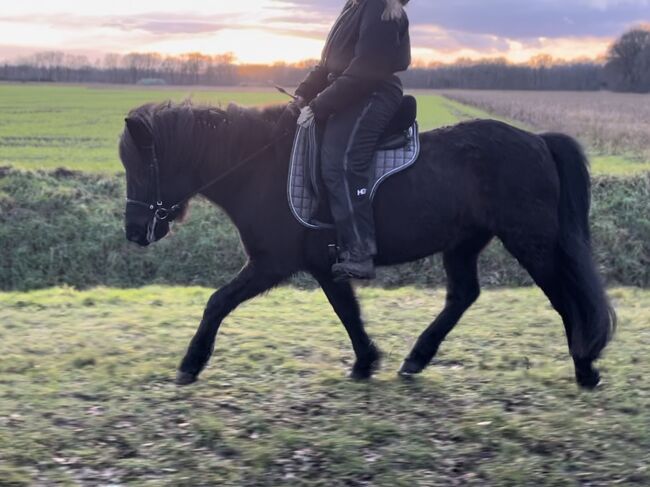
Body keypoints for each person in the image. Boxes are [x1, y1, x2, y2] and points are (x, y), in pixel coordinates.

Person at [289, 0, 411, 281]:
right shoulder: (354, 5)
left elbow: (367, 69)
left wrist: (319, 106)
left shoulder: (380, 8)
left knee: (341, 160)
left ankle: (360, 251)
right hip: (349, 88)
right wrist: (304, 92)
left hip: (372, 92)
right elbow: (328, 63)